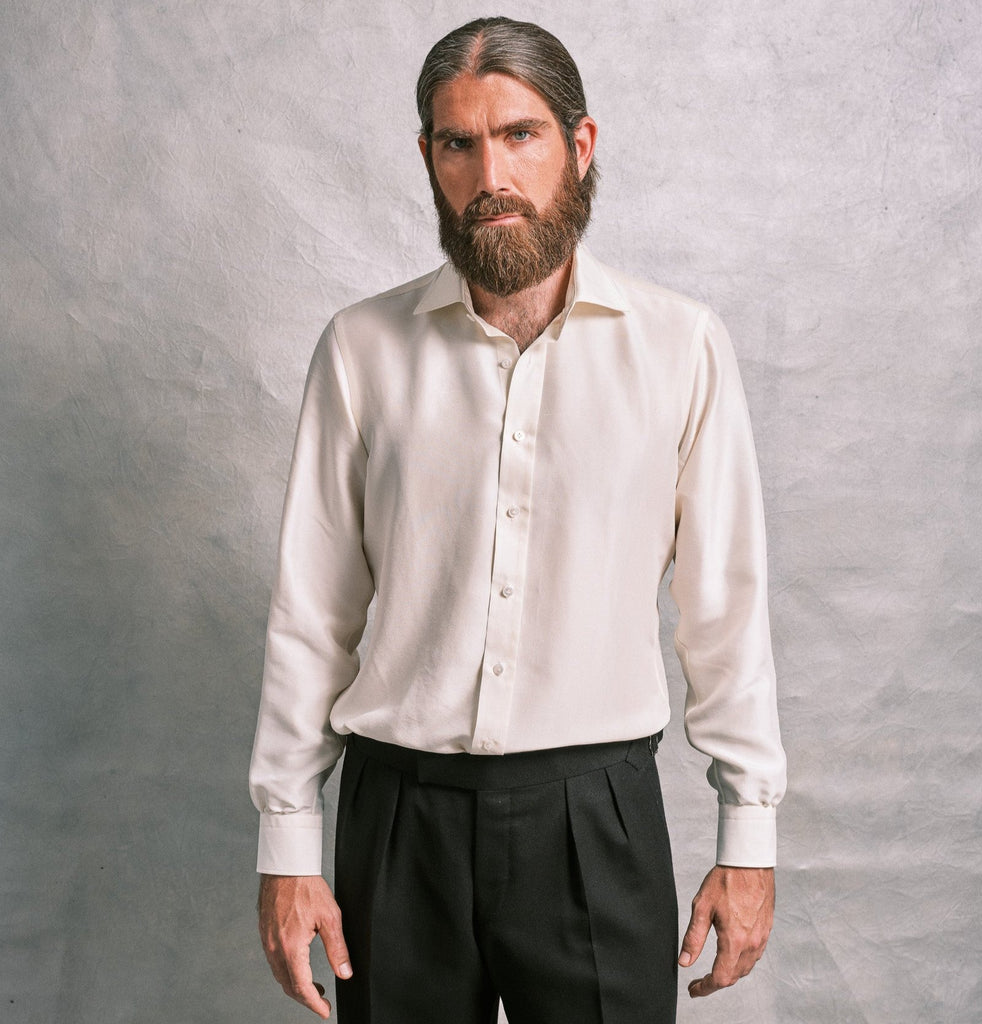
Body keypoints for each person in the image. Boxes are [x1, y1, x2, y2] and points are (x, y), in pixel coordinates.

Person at [250, 15, 786, 1024]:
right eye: (459, 143)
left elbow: (725, 610)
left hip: (597, 820)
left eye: (520, 135)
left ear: (580, 145)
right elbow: (311, 615)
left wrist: (748, 837)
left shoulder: (680, 347)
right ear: (429, 158)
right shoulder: (362, 349)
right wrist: (287, 844)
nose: (489, 174)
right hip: (397, 824)